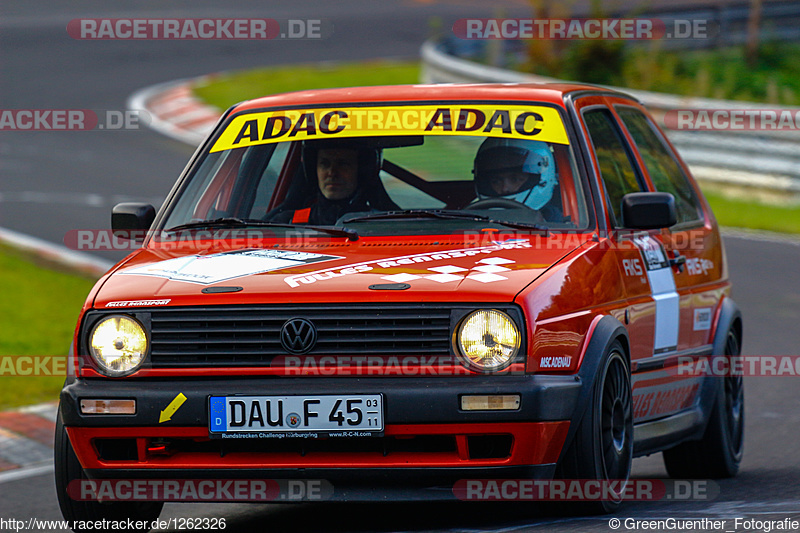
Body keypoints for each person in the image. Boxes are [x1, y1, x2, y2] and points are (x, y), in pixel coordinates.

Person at [266, 139, 398, 225]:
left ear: (360, 171)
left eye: (343, 164)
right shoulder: (285, 223)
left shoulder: (385, 225)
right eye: (325, 164)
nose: (332, 172)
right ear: (314, 171)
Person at [472, 138, 562, 220]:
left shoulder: (557, 227)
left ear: (542, 179)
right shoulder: (470, 217)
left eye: (515, 179)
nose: (505, 188)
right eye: (496, 181)